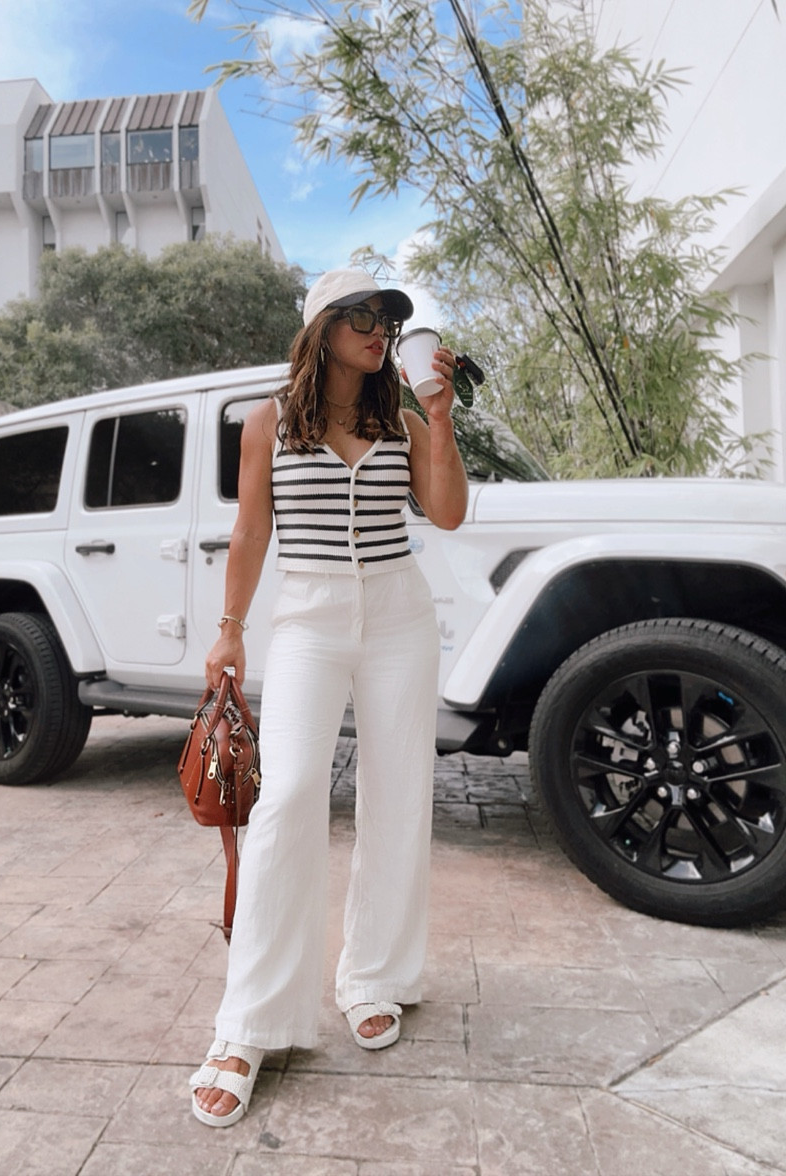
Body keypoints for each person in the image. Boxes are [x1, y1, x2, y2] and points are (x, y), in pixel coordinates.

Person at [189, 268, 469, 1127]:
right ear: (321, 329)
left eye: (387, 318)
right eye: (362, 317)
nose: (379, 330)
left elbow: (446, 514)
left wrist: (440, 417)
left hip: (397, 615)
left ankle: (374, 975)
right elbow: (251, 529)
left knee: (398, 793)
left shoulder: (403, 420)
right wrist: (230, 629)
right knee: (289, 797)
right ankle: (248, 1024)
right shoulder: (269, 421)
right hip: (308, 616)